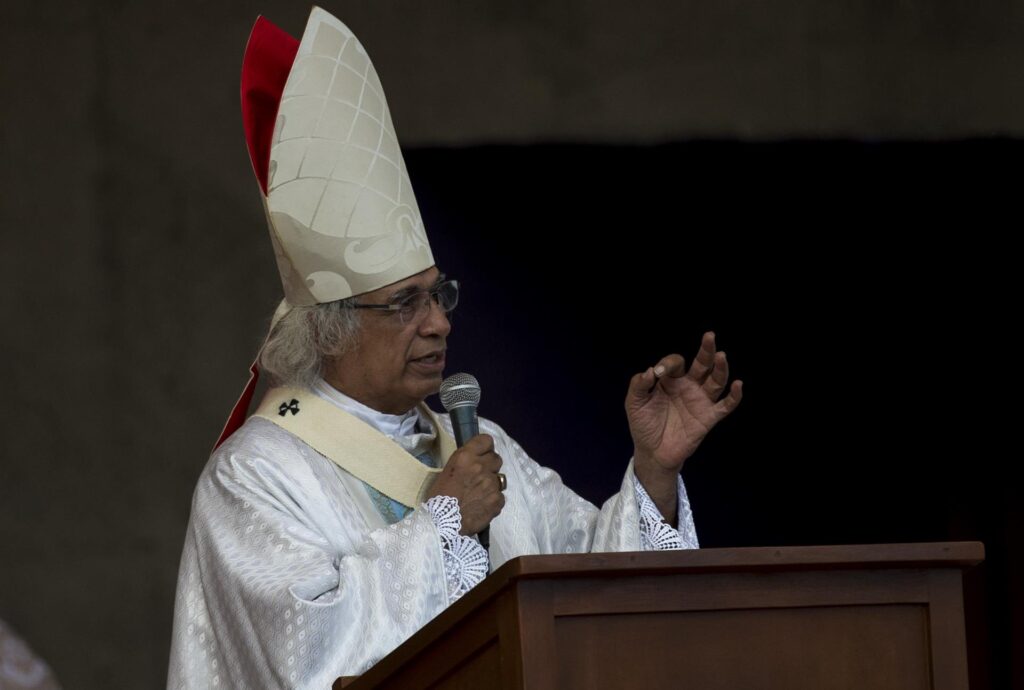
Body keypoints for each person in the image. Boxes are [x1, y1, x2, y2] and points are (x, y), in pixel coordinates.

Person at [168, 8, 742, 688]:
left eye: (439, 296)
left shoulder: (482, 445)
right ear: (330, 326)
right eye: (406, 304)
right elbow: (303, 656)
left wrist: (653, 472)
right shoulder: (257, 476)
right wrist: (444, 523)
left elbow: (594, 587)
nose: (438, 324)